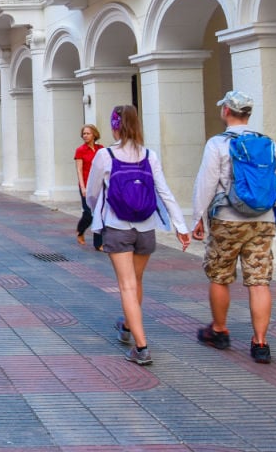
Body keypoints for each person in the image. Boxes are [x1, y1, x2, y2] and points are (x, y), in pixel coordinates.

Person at [86, 105, 190, 365]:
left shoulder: (105, 155)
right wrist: (181, 226)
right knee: (137, 281)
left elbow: (92, 193)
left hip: (118, 227)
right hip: (146, 227)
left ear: (115, 126)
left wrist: (95, 211)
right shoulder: (149, 155)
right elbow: (163, 192)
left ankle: (141, 347)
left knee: (126, 285)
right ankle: (129, 326)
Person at [191, 90, 276, 364]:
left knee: (220, 275)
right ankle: (260, 343)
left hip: (228, 218)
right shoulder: (268, 143)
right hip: (262, 219)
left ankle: (219, 330)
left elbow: (206, 183)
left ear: (226, 111)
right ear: (248, 113)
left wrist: (198, 217)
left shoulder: (217, 144)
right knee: (259, 280)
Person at [75, 124, 104, 250]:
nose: (85, 136)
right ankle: (80, 231)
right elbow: (79, 170)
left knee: (99, 214)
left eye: (88, 133)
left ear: (94, 135)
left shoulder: (101, 149)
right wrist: (83, 187)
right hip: (86, 186)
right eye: (84, 134)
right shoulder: (80, 150)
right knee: (88, 213)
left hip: (99, 186)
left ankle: (99, 243)